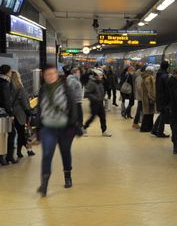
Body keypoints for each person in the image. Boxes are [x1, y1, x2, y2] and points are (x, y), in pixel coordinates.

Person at [36, 65, 81, 197]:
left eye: (52, 73)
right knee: (47, 154)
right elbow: (40, 109)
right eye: (47, 74)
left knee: (65, 152)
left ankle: (67, 176)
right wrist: (37, 126)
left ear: (57, 74)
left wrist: (73, 123)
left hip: (65, 128)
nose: (50, 76)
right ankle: (44, 184)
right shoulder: (42, 90)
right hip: (48, 128)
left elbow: (73, 107)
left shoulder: (66, 89)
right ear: (43, 76)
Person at [11, 70, 35, 158]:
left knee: (17, 133)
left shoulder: (8, 88)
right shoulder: (20, 88)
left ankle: (22, 151)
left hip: (11, 113)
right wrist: (29, 112)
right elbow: (25, 103)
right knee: (23, 132)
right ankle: (21, 151)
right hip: (20, 113)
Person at [83, 68, 111, 137]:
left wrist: (102, 97)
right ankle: (84, 128)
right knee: (92, 117)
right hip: (94, 103)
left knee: (103, 117)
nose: (101, 77)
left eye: (101, 75)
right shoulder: (91, 83)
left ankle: (104, 131)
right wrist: (95, 98)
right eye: (100, 75)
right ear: (95, 75)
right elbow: (87, 93)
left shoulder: (100, 82)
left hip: (100, 103)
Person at [0, 64, 17, 165]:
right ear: (7, 72)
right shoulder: (5, 83)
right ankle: (8, 156)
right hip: (3, 113)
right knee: (11, 133)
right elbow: (6, 100)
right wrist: (10, 113)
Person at [152, 61, 170, 138]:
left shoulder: (159, 74)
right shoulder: (165, 76)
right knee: (163, 115)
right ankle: (160, 132)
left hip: (159, 97)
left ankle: (154, 129)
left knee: (162, 114)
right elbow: (167, 88)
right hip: (164, 98)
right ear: (167, 67)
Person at [140, 66, 156, 133]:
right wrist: (153, 98)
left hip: (145, 97)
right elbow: (150, 90)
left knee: (147, 113)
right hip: (148, 98)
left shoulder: (144, 77)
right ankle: (146, 128)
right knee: (149, 113)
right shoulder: (149, 79)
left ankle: (146, 127)